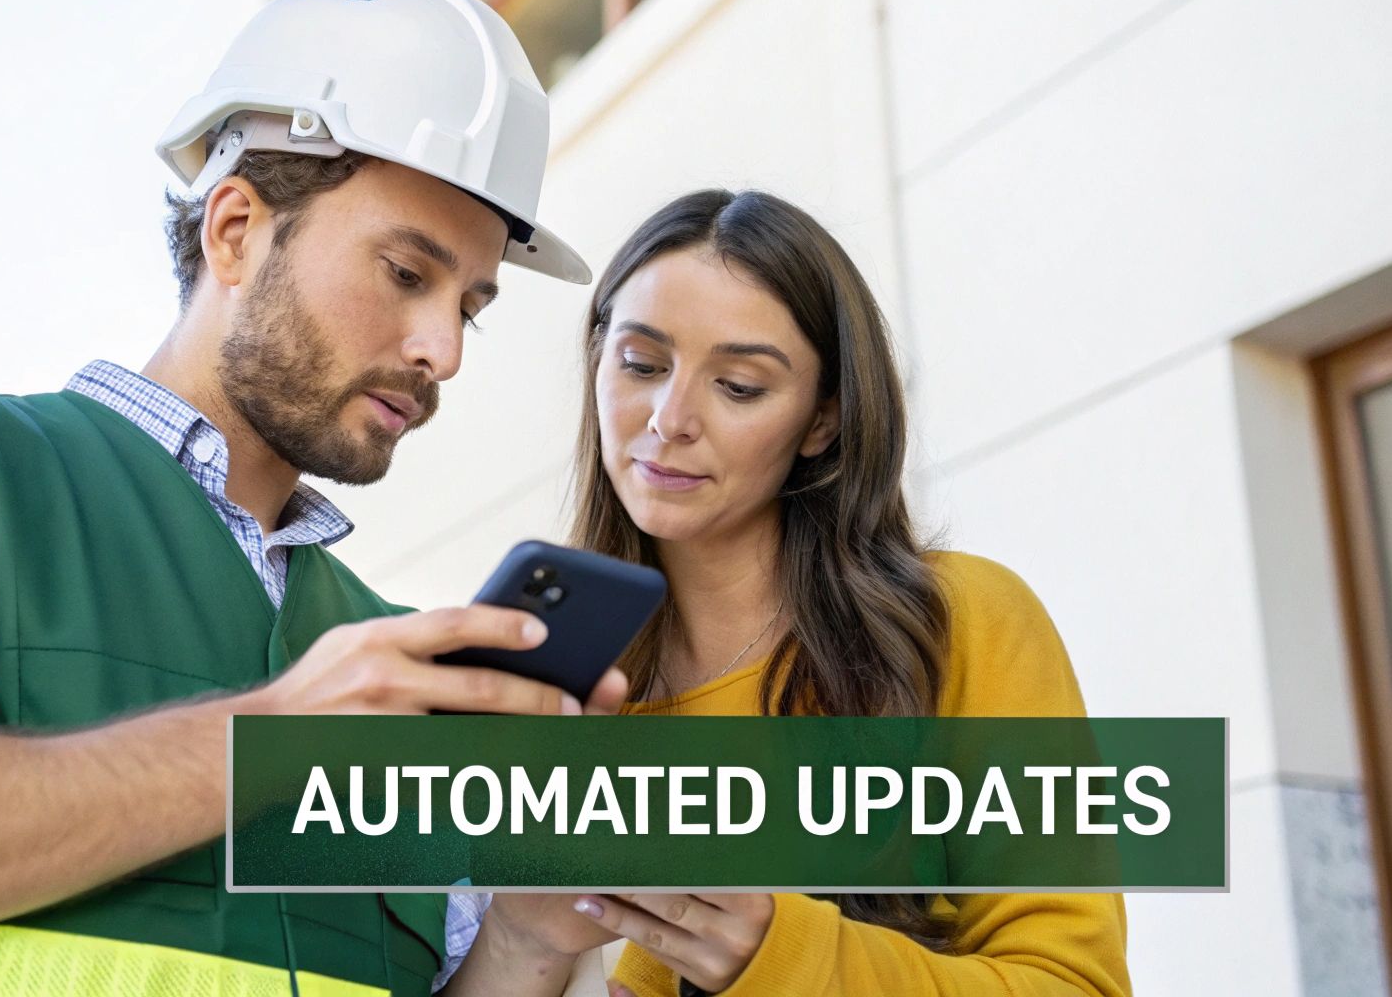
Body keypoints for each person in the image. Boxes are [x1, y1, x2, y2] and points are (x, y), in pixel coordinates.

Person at [0, 0, 625, 995]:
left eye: (471, 307)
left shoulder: (387, 664)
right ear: (233, 229)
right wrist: (271, 743)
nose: (442, 350)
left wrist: (526, 943)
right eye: (406, 274)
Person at [443, 189, 1133, 996]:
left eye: (738, 386)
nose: (670, 419)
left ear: (822, 423)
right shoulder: (544, 683)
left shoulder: (960, 623)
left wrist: (779, 954)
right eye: (641, 365)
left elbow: (1076, 984)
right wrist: (527, 937)